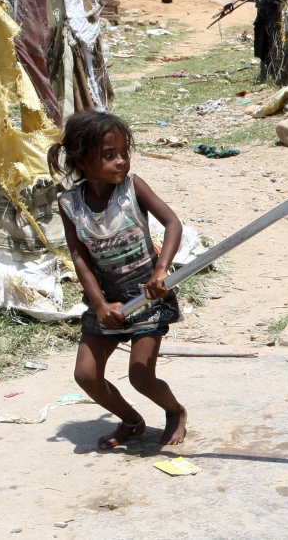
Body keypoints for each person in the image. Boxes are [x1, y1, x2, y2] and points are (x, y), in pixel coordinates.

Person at [50, 111, 187, 449]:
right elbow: (79, 256)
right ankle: (131, 420)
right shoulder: (69, 203)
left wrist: (161, 271)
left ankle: (175, 411)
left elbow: (173, 223)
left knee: (141, 376)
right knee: (86, 375)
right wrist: (99, 304)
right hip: (106, 301)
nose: (121, 161)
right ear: (82, 160)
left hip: (148, 297)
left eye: (124, 152)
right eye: (110, 155)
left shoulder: (131, 188)